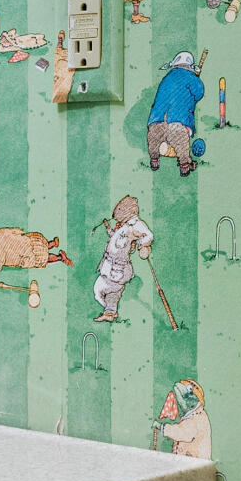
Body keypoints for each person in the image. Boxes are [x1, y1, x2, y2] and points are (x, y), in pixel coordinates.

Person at [92, 194, 151, 322]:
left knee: (103, 289)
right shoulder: (125, 226)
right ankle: (110, 312)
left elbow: (148, 236)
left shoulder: (136, 224)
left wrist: (142, 245)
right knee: (105, 291)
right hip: (110, 264)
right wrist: (108, 228)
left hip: (118, 266)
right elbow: (116, 239)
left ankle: (110, 312)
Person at [147, 52, 206, 174]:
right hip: (177, 121)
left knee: (154, 140)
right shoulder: (191, 78)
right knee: (181, 142)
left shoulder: (167, 78)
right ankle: (185, 165)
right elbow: (199, 93)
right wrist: (196, 80)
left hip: (156, 120)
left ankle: (154, 160)